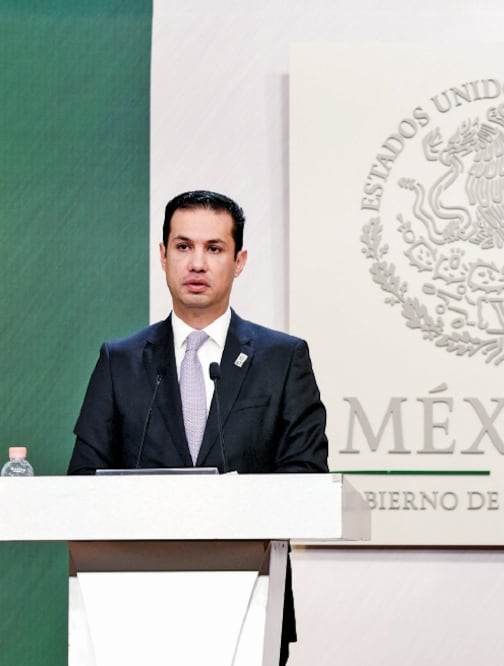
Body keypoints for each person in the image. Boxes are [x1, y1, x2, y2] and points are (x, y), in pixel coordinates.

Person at [68, 190, 328, 665]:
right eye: (184, 247)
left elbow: (305, 479)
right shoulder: (119, 361)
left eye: (214, 249)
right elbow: (84, 482)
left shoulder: (282, 360)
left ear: (239, 260)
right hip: (132, 604)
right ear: (163, 255)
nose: (197, 264)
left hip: (251, 603)